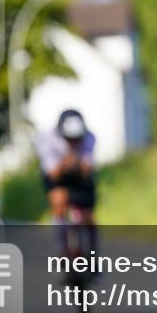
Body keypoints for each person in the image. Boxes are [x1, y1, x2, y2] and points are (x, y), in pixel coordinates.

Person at [35, 109, 98, 257]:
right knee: (59, 202)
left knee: (89, 215)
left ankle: (93, 254)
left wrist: (78, 163)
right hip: (57, 175)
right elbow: (53, 173)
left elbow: (88, 168)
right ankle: (61, 248)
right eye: (69, 138)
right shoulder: (47, 139)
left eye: (76, 138)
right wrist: (65, 164)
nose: (73, 142)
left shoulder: (89, 137)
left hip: (79, 174)